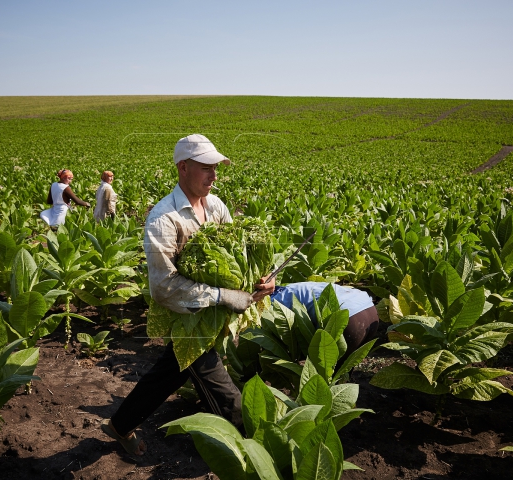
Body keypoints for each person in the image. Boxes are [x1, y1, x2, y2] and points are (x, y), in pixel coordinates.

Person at [101, 134, 275, 456]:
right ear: (183, 168)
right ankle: (252, 455)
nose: (214, 175)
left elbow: (236, 253)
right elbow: (163, 287)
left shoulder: (216, 205)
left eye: (216, 168)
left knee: (169, 373)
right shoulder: (163, 219)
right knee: (225, 395)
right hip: (186, 319)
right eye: (206, 167)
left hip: (213, 315)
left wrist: (260, 280)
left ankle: (119, 425)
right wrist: (224, 295)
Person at [270, 281, 379, 354]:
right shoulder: (291, 288)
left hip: (347, 317)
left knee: (325, 371)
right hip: (370, 309)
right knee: (344, 367)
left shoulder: (272, 303)